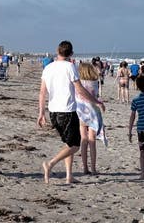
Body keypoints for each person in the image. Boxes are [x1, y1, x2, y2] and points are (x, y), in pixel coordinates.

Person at [37, 41, 104, 184]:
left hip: (53, 112)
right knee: (74, 145)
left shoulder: (48, 68)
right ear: (71, 54)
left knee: (68, 143)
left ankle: (69, 176)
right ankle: (50, 164)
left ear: (57, 51)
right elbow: (79, 89)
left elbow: (42, 92)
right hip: (67, 111)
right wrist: (96, 101)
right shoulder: (70, 66)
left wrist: (41, 113)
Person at [78, 62, 104, 175]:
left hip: (81, 113)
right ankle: (93, 168)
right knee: (92, 141)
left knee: (83, 140)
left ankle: (85, 168)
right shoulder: (94, 82)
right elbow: (96, 96)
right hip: (93, 113)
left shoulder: (77, 83)